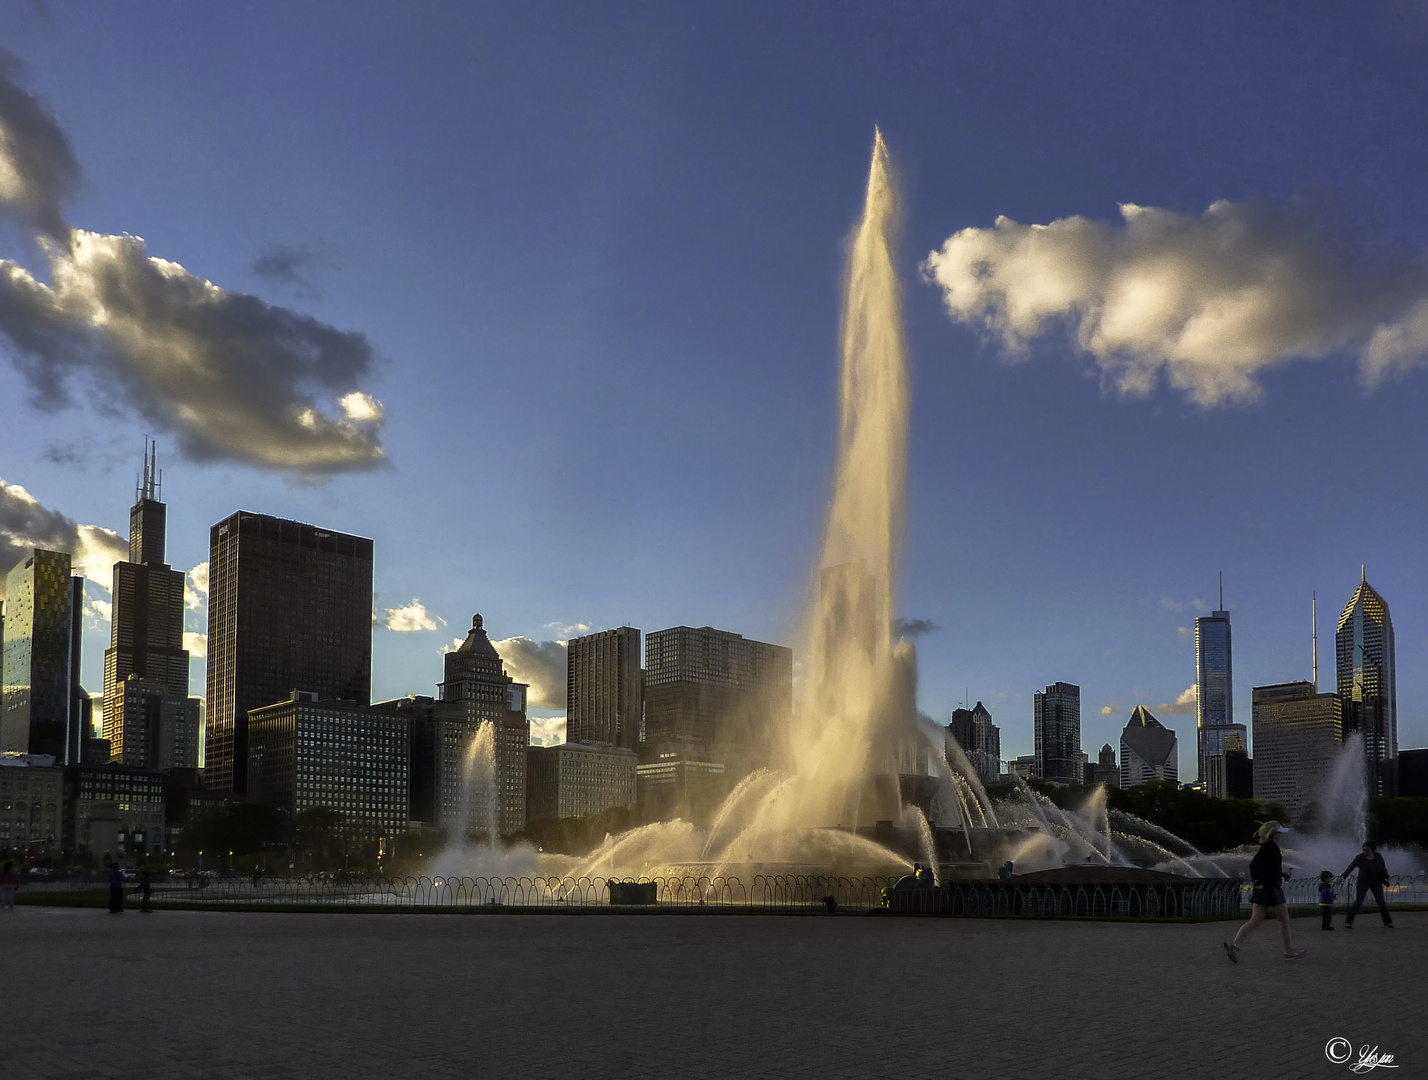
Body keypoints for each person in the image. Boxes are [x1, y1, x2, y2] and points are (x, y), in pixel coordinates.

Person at [1225, 821, 1306, 962]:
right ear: (1273, 834)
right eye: (1279, 833)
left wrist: (1281, 875)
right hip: (1271, 889)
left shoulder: (1268, 848)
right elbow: (1253, 865)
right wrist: (1258, 881)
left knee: (1255, 920)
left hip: (1264, 888)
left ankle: (1234, 944)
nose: (1282, 836)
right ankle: (1289, 952)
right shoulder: (1270, 848)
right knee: (1284, 921)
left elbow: (1268, 868)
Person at [1341, 841, 1394, 929]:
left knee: (1381, 902)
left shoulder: (1378, 856)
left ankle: (1388, 922)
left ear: (1373, 849)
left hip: (1376, 881)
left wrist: (1386, 878)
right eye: (1364, 850)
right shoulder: (1360, 857)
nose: (1365, 852)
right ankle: (1348, 922)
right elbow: (1351, 867)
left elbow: (1383, 868)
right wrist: (1343, 876)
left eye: (1367, 850)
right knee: (1359, 901)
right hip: (1363, 882)